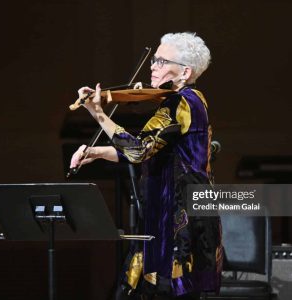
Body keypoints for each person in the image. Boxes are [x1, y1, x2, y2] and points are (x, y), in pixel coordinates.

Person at [70, 32, 223, 300]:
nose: (153, 66)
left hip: (178, 221)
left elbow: (139, 150)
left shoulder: (180, 102)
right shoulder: (194, 99)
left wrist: (98, 113)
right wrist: (95, 152)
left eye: (162, 62)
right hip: (174, 214)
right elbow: (153, 152)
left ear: (185, 72)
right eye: (154, 60)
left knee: (166, 292)